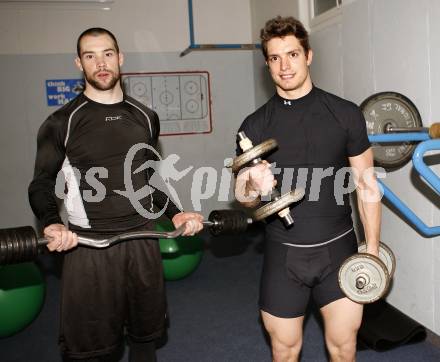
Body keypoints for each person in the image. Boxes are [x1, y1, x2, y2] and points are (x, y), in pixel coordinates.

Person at [28, 27, 204, 362]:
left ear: (120, 58)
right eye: (90, 56)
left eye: (108, 53)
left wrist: (176, 213)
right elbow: (40, 183)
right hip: (89, 247)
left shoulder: (145, 118)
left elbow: (145, 183)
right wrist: (51, 223)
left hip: (141, 240)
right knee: (94, 349)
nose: (101, 63)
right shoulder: (60, 122)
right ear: (79, 64)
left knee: (145, 338)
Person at [234, 16, 381, 361]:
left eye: (292, 54)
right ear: (266, 63)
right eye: (274, 58)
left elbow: (366, 184)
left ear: (309, 55)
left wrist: (371, 247)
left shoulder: (345, 114)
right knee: (285, 351)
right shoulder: (253, 125)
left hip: (338, 250)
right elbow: (243, 196)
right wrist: (253, 185)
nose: (284, 66)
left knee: (343, 349)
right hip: (284, 255)